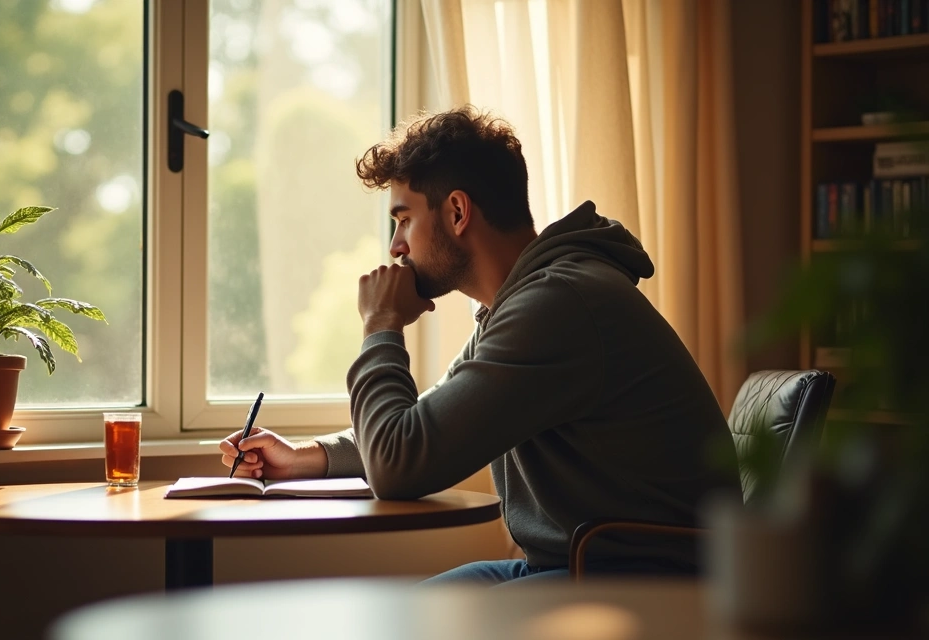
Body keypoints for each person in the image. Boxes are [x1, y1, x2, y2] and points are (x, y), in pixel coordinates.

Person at [217, 106, 742, 584]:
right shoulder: (524, 304)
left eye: (403, 220)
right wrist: (304, 457)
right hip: (575, 564)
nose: (396, 247)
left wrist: (381, 324)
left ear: (457, 212)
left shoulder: (557, 305)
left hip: (638, 580)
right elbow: (426, 425)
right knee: (397, 617)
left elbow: (400, 464)